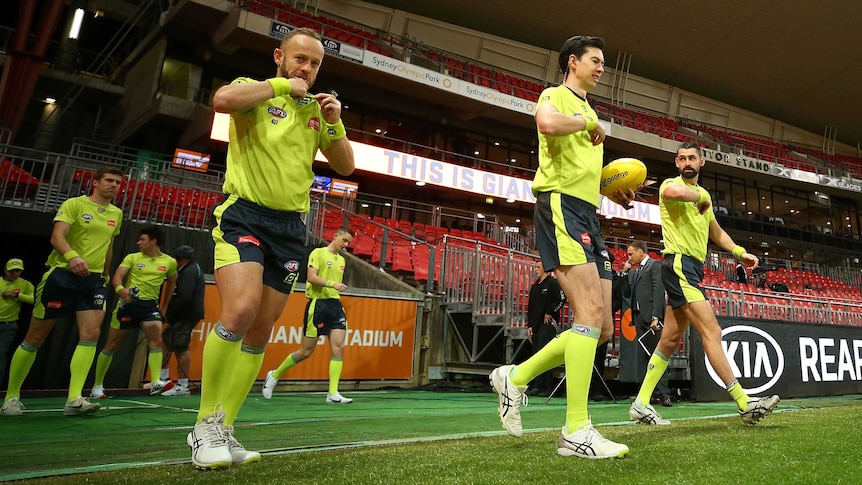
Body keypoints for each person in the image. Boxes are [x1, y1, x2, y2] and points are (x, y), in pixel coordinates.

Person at [187, 27, 354, 469]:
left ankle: (226, 428)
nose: (306, 69)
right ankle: (203, 426)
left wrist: (335, 122)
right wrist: (283, 85)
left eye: (314, 63)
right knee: (240, 311)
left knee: (261, 330)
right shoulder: (255, 89)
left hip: (290, 228)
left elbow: (346, 165)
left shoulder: (317, 113)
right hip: (244, 214)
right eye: (299, 59)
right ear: (279, 56)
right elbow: (221, 102)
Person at [489, 35, 634, 459]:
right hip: (560, 207)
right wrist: (587, 124)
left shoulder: (589, 110)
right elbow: (547, 124)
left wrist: (615, 190)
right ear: (572, 62)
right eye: (595, 60)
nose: (602, 67)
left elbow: (582, 167)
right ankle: (576, 430)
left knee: (602, 327)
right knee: (587, 314)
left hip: (588, 212)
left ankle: (515, 377)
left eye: (604, 62)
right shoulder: (556, 95)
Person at [629, 141, 780, 426]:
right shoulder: (671, 186)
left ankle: (640, 403)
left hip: (691, 269)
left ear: (702, 162)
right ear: (676, 162)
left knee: (670, 339)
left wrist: (739, 252)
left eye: (692, 158)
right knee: (712, 331)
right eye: (682, 158)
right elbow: (673, 192)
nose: (687, 162)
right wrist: (696, 198)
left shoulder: (704, 196)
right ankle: (744, 403)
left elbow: (716, 231)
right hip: (678, 265)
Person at [1, 166, 123, 417]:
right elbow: (57, 237)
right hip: (61, 275)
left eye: (118, 182)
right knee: (34, 338)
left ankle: (74, 399)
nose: (114, 185)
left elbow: (109, 246)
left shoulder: (116, 214)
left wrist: (106, 274)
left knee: (91, 334)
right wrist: (72, 257)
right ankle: (11, 397)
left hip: (93, 281)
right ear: (95, 183)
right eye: (109, 180)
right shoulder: (74, 205)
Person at [262, 227, 355, 403]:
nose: (346, 244)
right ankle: (274, 375)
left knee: (339, 347)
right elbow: (311, 277)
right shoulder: (318, 253)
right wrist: (332, 284)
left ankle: (332, 394)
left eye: (348, 242)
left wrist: (334, 288)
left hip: (335, 305)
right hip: (318, 305)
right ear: (335, 236)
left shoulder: (342, 260)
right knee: (306, 351)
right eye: (344, 240)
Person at [90, 227, 177, 399]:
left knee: (157, 341)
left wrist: (165, 305)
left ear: (153, 241)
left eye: (142, 239)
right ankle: (97, 386)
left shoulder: (169, 262)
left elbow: (172, 283)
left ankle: (155, 382)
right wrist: (121, 290)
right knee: (112, 345)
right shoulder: (132, 258)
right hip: (127, 305)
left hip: (150, 307)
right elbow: (117, 278)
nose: (138, 242)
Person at [620, 241, 672, 407]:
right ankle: (647, 394)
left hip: (651, 317)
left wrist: (656, 316)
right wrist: (625, 274)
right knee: (643, 357)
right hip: (639, 318)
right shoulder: (635, 272)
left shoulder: (654, 265)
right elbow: (627, 293)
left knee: (657, 355)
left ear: (640, 252)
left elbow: (658, 290)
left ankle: (664, 394)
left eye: (630, 254)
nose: (629, 257)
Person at [159, 245, 206, 397]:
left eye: (176, 258)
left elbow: (184, 297)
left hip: (186, 315)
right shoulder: (189, 269)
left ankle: (183, 384)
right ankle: (164, 379)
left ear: (183, 259)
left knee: (181, 346)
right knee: (166, 341)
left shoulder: (190, 272)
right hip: (183, 314)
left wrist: (171, 314)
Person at [525, 258, 564, 397]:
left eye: (538, 267)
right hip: (536, 326)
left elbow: (560, 299)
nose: (536, 270)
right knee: (536, 355)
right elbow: (531, 308)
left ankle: (546, 387)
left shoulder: (553, 283)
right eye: (535, 267)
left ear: (545, 269)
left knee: (544, 355)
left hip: (548, 325)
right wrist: (530, 325)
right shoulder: (535, 286)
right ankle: (536, 385)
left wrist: (550, 311)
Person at [0, 259, 35, 388]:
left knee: (1, 354)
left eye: (18, 271)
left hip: (8, 325)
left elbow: (33, 299)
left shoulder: (25, 284)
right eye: (12, 271)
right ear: (5, 270)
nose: (15, 274)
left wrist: (18, 295)